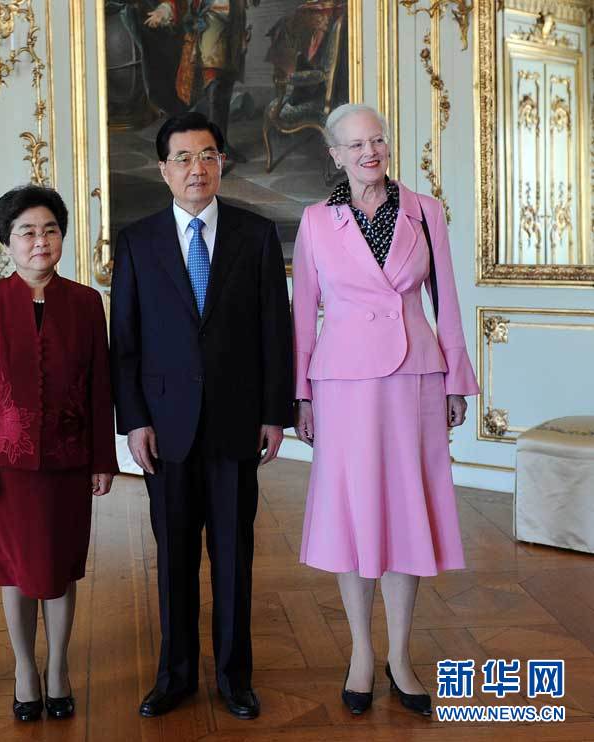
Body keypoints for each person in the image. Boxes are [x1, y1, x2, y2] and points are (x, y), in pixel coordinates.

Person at [291, 103, 480, 716]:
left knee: (406, 510)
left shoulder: (426, 211)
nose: (369, 152)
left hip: (415, 377)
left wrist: (456, 381)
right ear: (335, 156)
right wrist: (301, 394)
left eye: (377, 141)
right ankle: (361, 653)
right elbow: (303, 315)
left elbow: (448, 301)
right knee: (353, 512)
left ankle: (400, 655)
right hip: (342, 383)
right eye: (355, 145)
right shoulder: (315, 221)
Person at [111, 111, 294, 720]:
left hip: (237, 422)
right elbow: (125, 341)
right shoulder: (137, 241)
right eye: (184, 158)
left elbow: (276, 331)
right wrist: (134, 421)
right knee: (174, 559)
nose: (198, 168)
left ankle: (235, 678)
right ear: (164, 169)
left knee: (235, 558)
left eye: (208, 155)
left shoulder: (255, 234)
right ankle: (175, 676)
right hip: (165, 429)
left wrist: (274, 413)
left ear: (222, 163)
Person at [0, 185, 118, 722]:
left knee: (60, 567)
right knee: (15, 570)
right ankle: (25, 669)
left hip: (70, 462)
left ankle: (58, 668)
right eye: (26, 232)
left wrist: (103, 458)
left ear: (62, 237)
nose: (40, 241)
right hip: (6, 466)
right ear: (7, 241)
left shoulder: (87, 303)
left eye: (50, 230)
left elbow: (100, 388)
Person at [144, 1, 258, 162]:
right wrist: (164, 10)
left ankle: (222, 145)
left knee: (225, 87)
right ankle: (211, 150)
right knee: (215, 87)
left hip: (234, 26)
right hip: (211, 25)